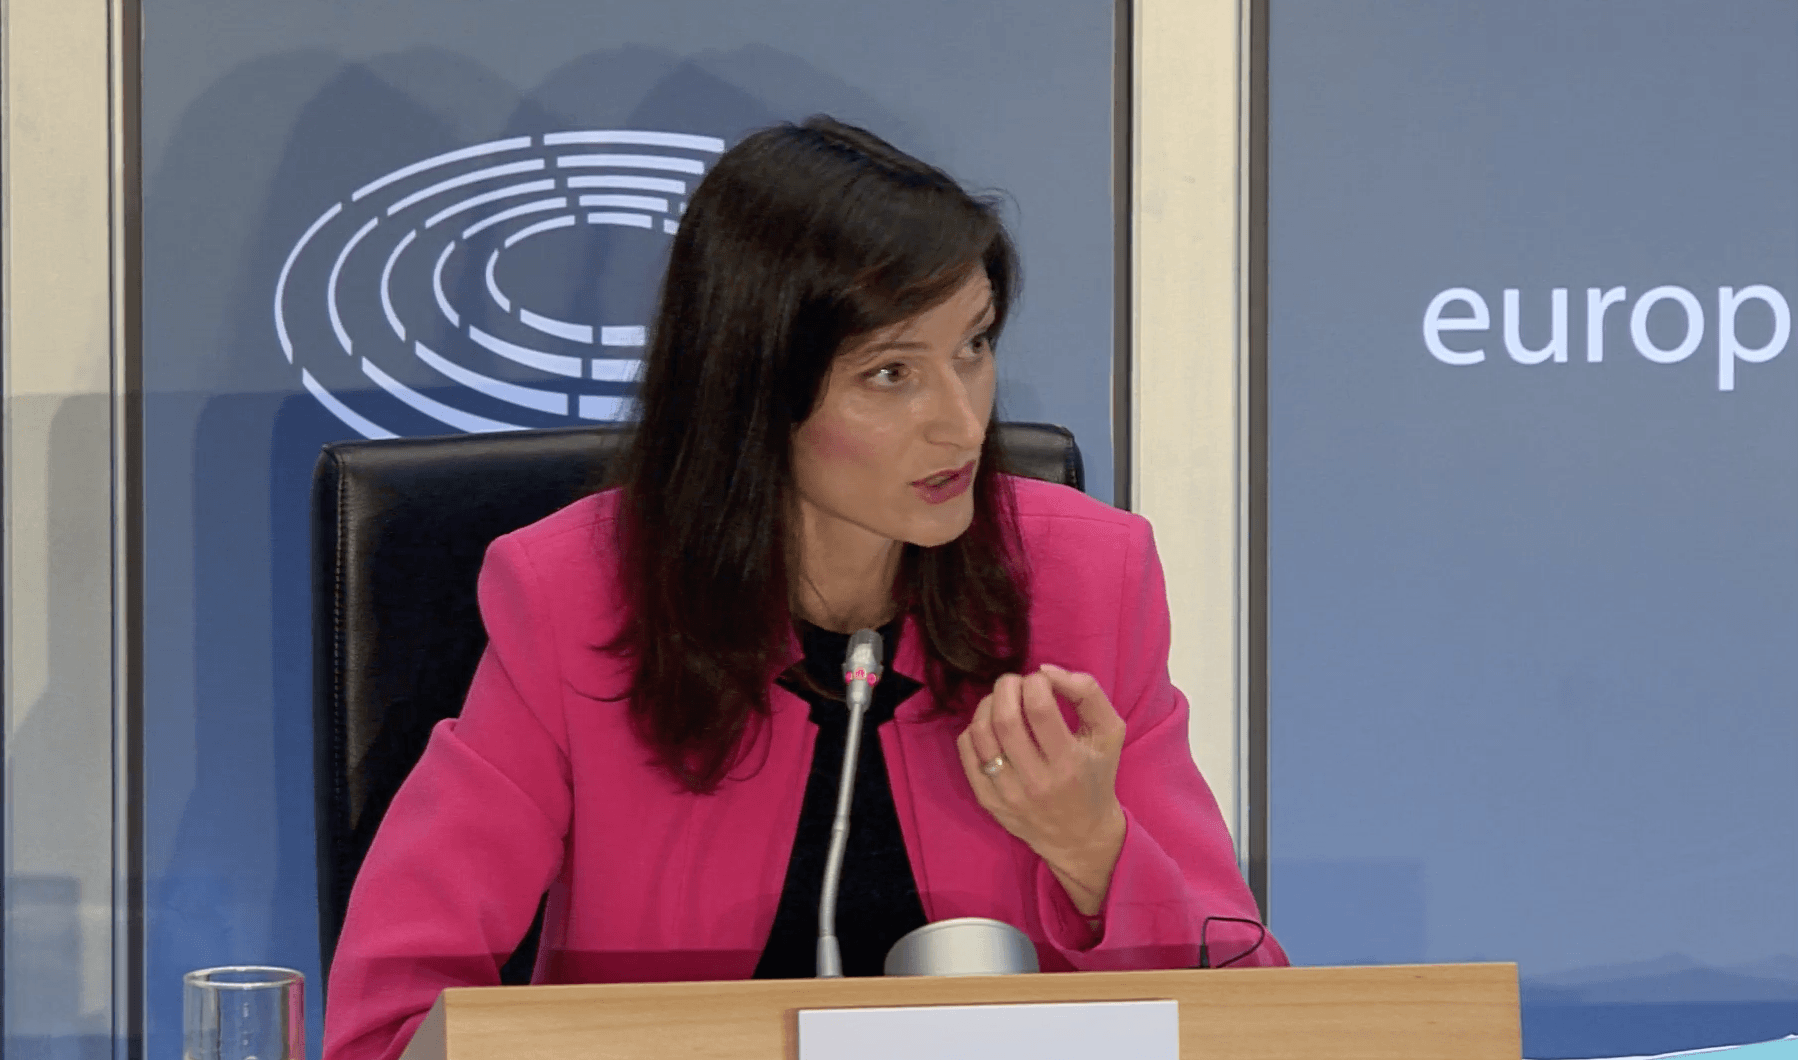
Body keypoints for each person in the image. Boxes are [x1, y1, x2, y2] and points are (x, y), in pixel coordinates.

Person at [322, 115, 1285, 1060]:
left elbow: (1254, 1012)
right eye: (891, 373)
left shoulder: (1085, 581)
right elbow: (392, 1018)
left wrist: (1095, 852)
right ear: (752, 390)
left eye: (974, 346)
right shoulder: (574, 598)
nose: (961, 424)